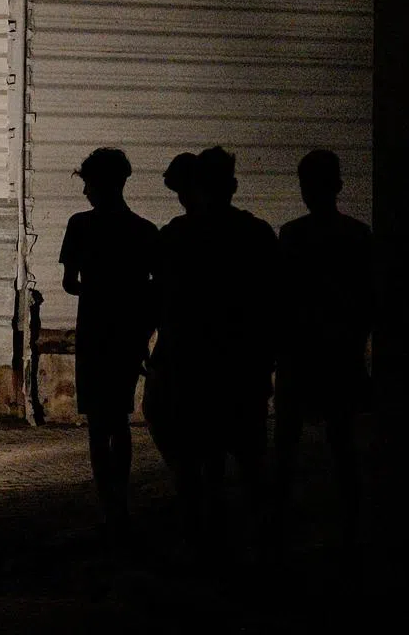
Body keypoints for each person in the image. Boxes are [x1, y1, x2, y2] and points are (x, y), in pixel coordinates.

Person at [156, 146, 278, 561]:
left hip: (191, 365)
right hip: (242, 364)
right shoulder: (258, 234)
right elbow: (271, 304)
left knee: (196, 460)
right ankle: (256, 545)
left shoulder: (175, 236)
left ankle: (202, 542)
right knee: (248, 458)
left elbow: (166, 303)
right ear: (233, 185)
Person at [274, 150, 373, 552]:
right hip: (339, 351)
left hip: (301, 352)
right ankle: (350, 522)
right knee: (341, 439)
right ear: (339, 187)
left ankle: (282, 519)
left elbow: (282, 298)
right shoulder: (358, 235)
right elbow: (367, 299)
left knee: (287, 440)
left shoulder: (292, 235)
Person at [59, 148, 159, 539]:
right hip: (128, 334)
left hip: (94, 330)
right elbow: (156, 288)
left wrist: (96, 291)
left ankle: (110, 509)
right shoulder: (145, 230)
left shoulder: (80, 226)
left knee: (98, 427)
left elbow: (70, 283)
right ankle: (122, 507)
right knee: (119, 419)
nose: (85, 191)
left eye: (87, 182)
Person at [144, 153, 198, 480]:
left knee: (160, 412)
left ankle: (188, 482)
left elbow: (156, 291)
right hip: (216, 345)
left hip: (178, 344)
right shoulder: (250, 230)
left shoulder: (175, 234)